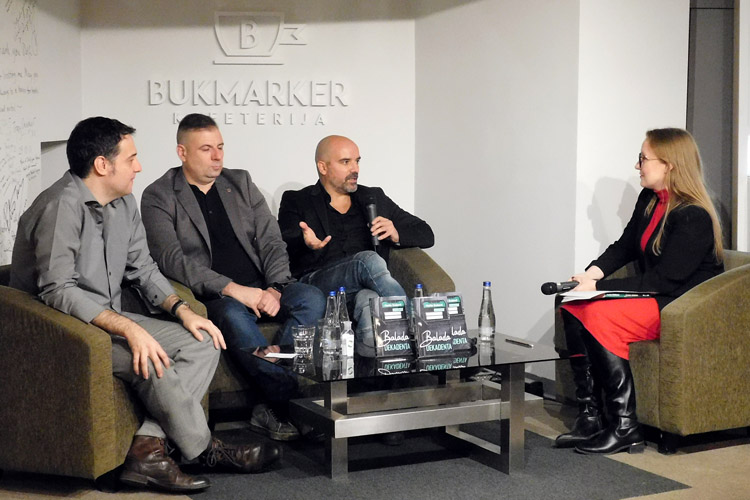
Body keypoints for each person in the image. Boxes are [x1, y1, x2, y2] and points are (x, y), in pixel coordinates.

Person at [10, 117, 280, 493]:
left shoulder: (124, 202)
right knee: (152, 358)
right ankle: (205, 449)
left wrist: (182, 310)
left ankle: (147, 449)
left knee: (203, 341)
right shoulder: (60, 206)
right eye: (131, 158)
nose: (138, 166)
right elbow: (58, 290)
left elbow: (143, 267)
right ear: (102, 165)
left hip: (106, 317)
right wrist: (129, 328)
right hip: (63, 329)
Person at [141, 113, 326, 442]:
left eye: (221, 147)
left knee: (311, 298)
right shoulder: (159, 194)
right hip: (218, 295)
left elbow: (271, 240)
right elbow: (171, 260)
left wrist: (276, 288)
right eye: (206, 149)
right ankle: (290, 399)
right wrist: (233, 289)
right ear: (182, 152)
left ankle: (274, 399)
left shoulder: (240, 182)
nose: (217, 157)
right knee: (232, 316)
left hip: (264, 285)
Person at [556, 128, 724, 455]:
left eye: (643, 158)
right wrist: (590, 275)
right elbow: (625, 246)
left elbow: (664, 281)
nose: (638, 166)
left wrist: (599, 288)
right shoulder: (649, 199)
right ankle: (590, 416)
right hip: (656, 296)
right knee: (572, 304)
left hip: (680, 307)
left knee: (598, 313)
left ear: (669, 164)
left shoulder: (693, 216)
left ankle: (624, 427)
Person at [278, 135, 434, 357]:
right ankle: (421, 331)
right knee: (367, 260)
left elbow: (426, 233)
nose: (355, 169)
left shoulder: (373, 197)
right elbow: (282, 242)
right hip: (318, 283)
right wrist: (305, 242)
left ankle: (375, 372)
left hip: (359, 289)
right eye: (346, 162)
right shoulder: (297, 200)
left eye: (357, 161)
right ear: (323, 167)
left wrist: (396, 232)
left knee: (369, 300)